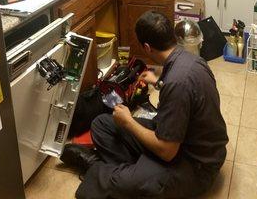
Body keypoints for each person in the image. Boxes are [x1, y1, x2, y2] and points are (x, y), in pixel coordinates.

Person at [61, 11, 228, 198]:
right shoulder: (192, 60)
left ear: (147, 47)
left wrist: (129, 122)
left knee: (124, 184)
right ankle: (135, 169)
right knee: (102, 124)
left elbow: (167, 152)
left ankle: (94, 166)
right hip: (181, 139)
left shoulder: (177, 82)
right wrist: (157, 82)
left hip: (196, 164)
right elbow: (186, 97)